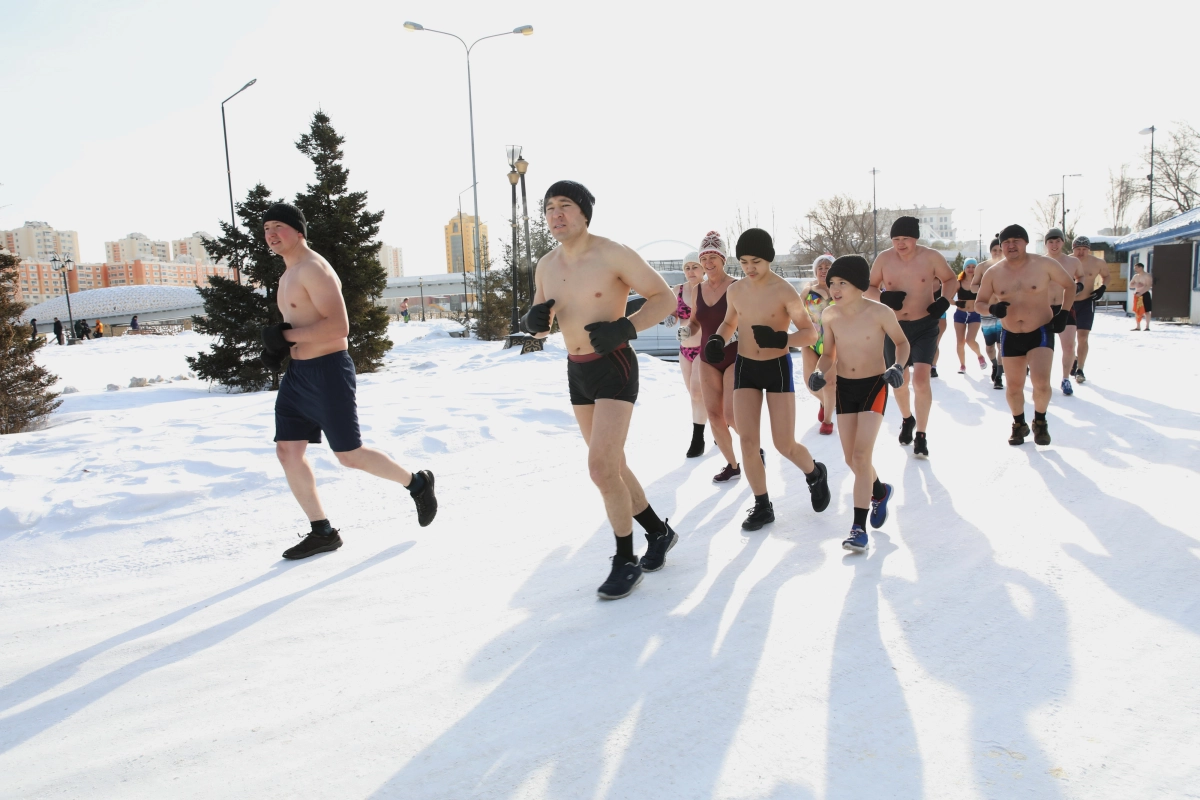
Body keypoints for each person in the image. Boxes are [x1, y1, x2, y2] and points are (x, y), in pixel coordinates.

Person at [520, 181, 676, 600]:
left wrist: (626, 327)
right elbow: (540, 323)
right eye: (550, 208)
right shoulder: (546, 265)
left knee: (600, 468)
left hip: (615, 365)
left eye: (565, 206)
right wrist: (532, 321)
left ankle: (625, 559)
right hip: (577, 371)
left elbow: (665, 298)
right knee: (613, 467)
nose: (556, 215)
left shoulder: (613, 253)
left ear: (585, 213)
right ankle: (659, 532)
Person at [261, 202, 438, 560]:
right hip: (298, 377)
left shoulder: (314, 269)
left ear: (299, 231)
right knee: (287, 451)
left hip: (327, 373)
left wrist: (287, 337)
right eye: (266, 229)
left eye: (279, 226)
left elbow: (338, 327)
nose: (272, 234)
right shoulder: (287, 273)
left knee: (349, 455)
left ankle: (417, 483)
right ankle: (322, 531)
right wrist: (281, 344)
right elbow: (301, 324)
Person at [705, 229, 831, 531]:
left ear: (769, 259)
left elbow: (810, 334)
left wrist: (780, 338)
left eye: (756, 261)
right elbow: (729, 322)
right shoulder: (736, 291)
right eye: (745, 261)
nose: (750, 268)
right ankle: (762, 505)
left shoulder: (784, 291)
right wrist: (717, 339)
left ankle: (815, 473)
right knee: (748, 441)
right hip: (746, 366)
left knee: (783, 443)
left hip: (776, 367)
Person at [808, 255, 909, 553]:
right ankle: (880, 491)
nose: (836, 288)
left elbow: (902, 344)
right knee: (853, 461)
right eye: (832, 283)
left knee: (862, 457)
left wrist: (898, 367)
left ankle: (858, 529)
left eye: (843, 283)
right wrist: (818, 372)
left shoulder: (880, 312)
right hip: (844, 388)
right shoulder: (829, 315)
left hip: (874, 386)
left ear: (860, 285)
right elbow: (828, 354)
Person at [974, 224, 1076, 446]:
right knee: (1013, 385)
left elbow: (1070, 285)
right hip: (1010, 333)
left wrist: (1064, 313)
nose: (1011, 245)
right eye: (1006, 242)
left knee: (1040, 382)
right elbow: (979, 303)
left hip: (1040, 330)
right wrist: (992, 310)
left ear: (1026, 242)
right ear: (1001, 246)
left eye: (1016, 241)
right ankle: (1018, 424)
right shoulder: (993, 272)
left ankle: (1040, 422)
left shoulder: (1044, 264)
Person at [868, 215, 960, 458]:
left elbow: (951, 280)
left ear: (915, 238)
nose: (900, 243)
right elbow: (868, 287)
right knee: (899, 381)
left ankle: (921, 434)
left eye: (905, 239)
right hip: (894, 327)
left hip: (925, 325)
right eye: (896, 239)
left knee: (920, 380)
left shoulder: (930, 257)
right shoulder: (884, 259)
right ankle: (907, 418)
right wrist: (883, 297)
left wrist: (944, 301)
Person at [694, 230, 744, 483]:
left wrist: (732, 336)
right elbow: (695, 322)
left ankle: (753, 448)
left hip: (734, 356)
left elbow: (745, 320)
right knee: (713, 416)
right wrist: (686, 330)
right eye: (705, 257)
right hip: (706, 359)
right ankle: (732, 465)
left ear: (723, 259)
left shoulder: (737, 285)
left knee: (731, 415)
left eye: (714, 256)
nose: (708, 262)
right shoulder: (698, 289)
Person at [1042, 228, 1084, 396]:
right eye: (1050, 242)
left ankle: (1066, 378)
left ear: (1063, 243)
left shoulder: (1072, 262)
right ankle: (1043, 380)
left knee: (1068, 346)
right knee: (1043, 347)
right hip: (1043, 308)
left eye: (1057, 241)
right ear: (1045, 244)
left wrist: (1079, 285)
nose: (1054, 245)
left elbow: (1080, 276)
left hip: (1065, 306)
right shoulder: (1039, 262)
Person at [675, 251, 708, 457]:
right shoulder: (677, 290)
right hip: (684, 349)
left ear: (703, 269)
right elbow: (670, 311)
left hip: (703, 349)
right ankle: (717, 421)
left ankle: (698, 439)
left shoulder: (709, 290)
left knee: (697, 393)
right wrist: (670, 318)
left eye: (694, 267)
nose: (690, 271)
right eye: (687, 268)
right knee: (694, 395)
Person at [801, 254, 837, 435]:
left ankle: (828, 420)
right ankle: (826, 402)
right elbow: (795, 309)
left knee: (829, 383)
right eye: (820, 267)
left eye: (828, 267)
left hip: (832, 342)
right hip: (811, 341)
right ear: (815, 270)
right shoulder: (808, 289)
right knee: (809, 382)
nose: (823, 270)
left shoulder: (839, 290)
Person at [1068, 235, 1111, 382]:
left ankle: (1080, 369)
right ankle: (1073, 358)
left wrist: (1102, 288)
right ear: (1073, 249)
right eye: (1078, 249)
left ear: (1089, 250)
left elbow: (1107, 276)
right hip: (1069, 303)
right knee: (1069, 339)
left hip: (1087, 302)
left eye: (1084, 249)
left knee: (1083, 337)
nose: (1080, 252)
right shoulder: (1066, 261)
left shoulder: (1097, 262)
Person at [971, 238, 1006, 389]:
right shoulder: (982, 267)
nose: (997, 253)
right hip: (986, 310)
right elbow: (972, 287)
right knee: (990, 346)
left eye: (1000, 250)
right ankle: (994, 364)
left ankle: (998, 375)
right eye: (994, 250)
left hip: (1004, 311)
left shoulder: (1009, 266)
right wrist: (984, 288)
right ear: (990, 251)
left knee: (1001, 344)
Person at [952, 258, 985, 373]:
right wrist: (956, 303)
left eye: (973, 267)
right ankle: (962, 365)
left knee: (970, 340)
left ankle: (980, 356)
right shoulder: (958, 283)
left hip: (975, 314)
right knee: (960, 341)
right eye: (968, 267)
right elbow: (948, 298)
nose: (971, 269)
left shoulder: (980, 283)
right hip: (960, 314)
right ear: (964, 268)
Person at [1130, 262, 1153, 331]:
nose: (1135, 269)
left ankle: (1147, 326)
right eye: (1135, 268)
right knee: (1137, 310)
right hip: (1137, 294)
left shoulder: (1147, 275)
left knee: (1146, 311)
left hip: (1145, 293)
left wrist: (1141, 293)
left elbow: (1148, 286)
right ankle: (1138, 326)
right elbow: (1130, 285)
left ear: (1141, 267)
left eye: (1136, 268)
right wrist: (1135, 285)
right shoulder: (1135, 276)